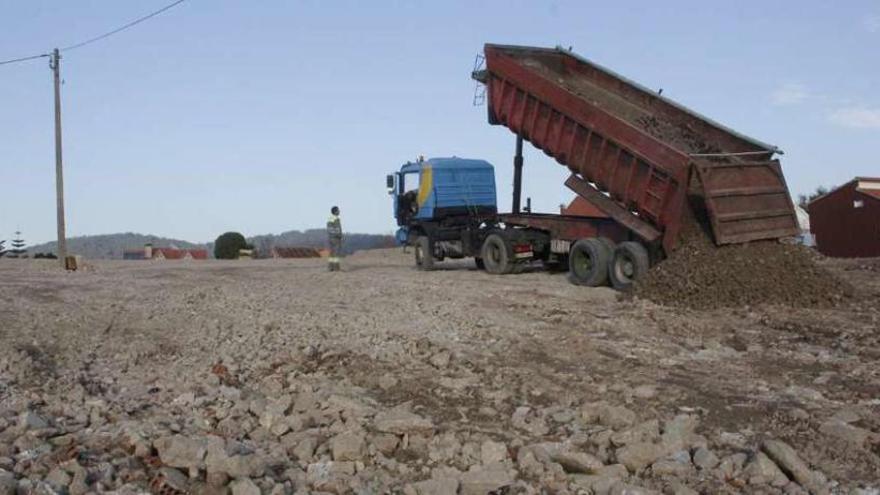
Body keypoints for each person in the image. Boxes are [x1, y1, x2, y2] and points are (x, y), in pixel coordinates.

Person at [327, 206, 343, 271]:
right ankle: (337, 268)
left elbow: (329, 229)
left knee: (331, 253)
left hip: (330, 238)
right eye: (338, 210)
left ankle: (330, 267)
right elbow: (337, 229)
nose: (339, 211)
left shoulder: (330, 218)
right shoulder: (336, 219)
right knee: (336, 253)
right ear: (335, 211)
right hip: (336, 238)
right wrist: (340, 236)